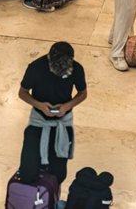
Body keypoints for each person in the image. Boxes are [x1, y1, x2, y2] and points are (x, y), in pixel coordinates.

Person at [18, 42, 87, 184]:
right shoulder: (35, 67)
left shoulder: (77, 69)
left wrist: (67, 106)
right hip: (39, 120)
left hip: (62, 122)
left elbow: (82, 93)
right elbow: (23, 93)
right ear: (50, 60)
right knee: (28, 171)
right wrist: (40, 105)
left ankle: (50, 196)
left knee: (58, 173)